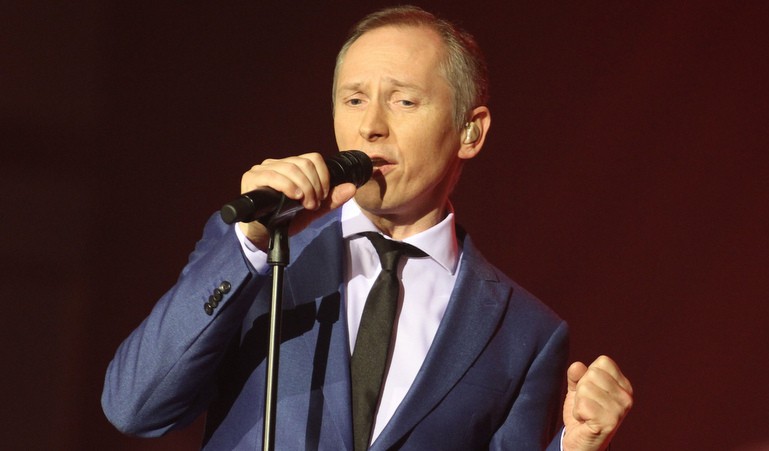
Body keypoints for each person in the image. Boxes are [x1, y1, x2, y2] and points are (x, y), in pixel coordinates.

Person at [102, 5, 633, 450]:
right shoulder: (259, 251)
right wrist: (250, 244)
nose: (371, 126)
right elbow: (135, 407)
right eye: (354, 100)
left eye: (404, 101)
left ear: (470, 131)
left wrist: (576, 447)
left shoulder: (523, 332)